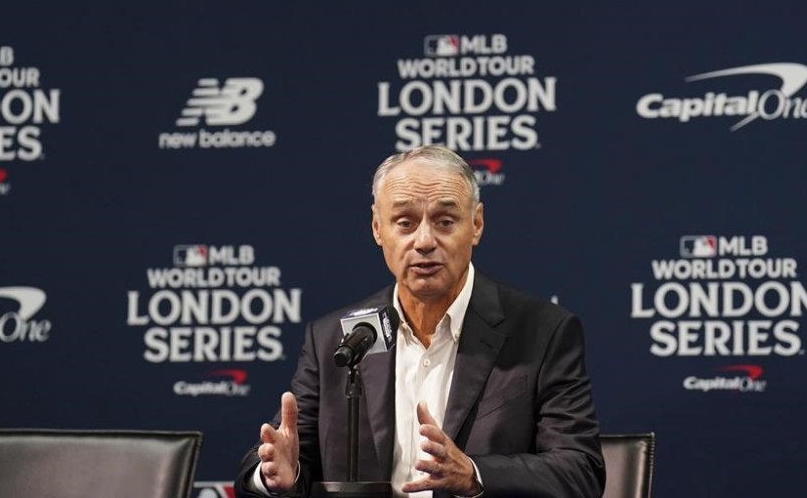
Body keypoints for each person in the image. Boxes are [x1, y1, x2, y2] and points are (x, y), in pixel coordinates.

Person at [234, 145, 604, 497]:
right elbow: (283, 457)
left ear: (476, 224)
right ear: (378, 229)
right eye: (405, 223)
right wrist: (276, 475)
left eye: (445, 221)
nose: (424, 241)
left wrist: (474, 475)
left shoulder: (542, 332)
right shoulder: (336, 338)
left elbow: (579, 470)